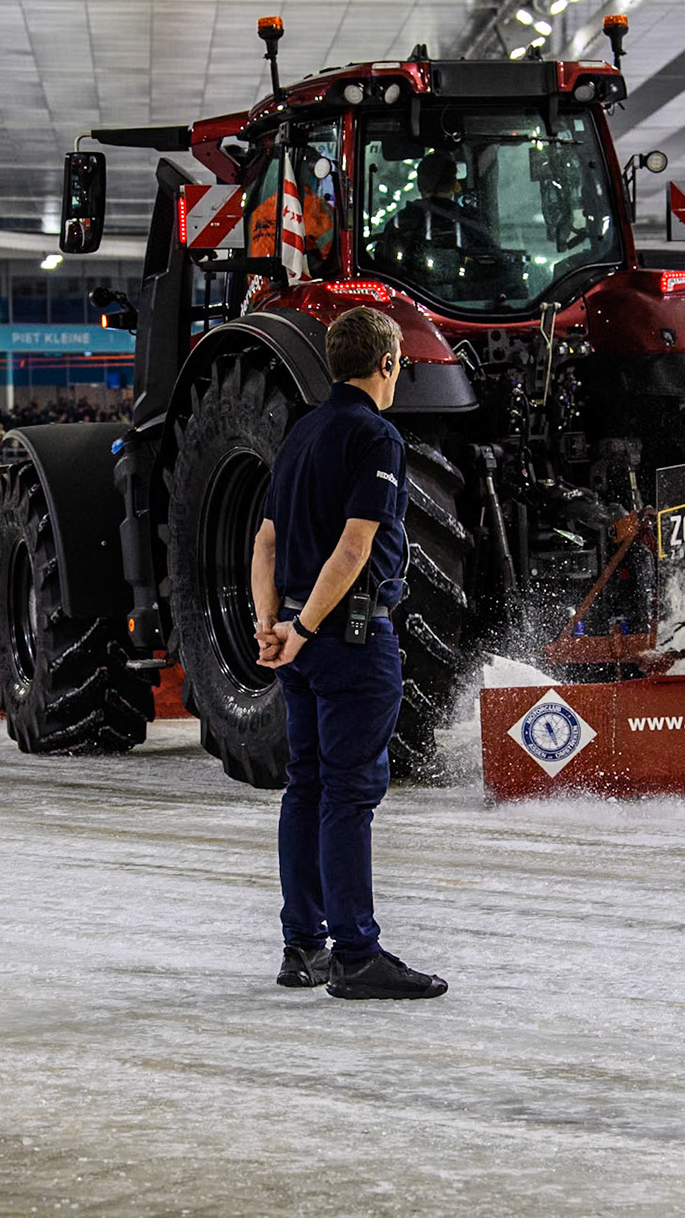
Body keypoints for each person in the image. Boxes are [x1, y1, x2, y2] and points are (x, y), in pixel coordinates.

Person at [251, 305, 447, 1001]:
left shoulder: (300, 434)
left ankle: (302, 945)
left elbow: (267, 543)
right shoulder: (376, 436)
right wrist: (302, 628)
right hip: (350, 638)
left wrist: (271, 623)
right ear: (388, 363)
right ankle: (357, 954)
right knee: (348, 792)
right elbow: (357, 544)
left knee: (306, 784)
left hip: (303, 641)